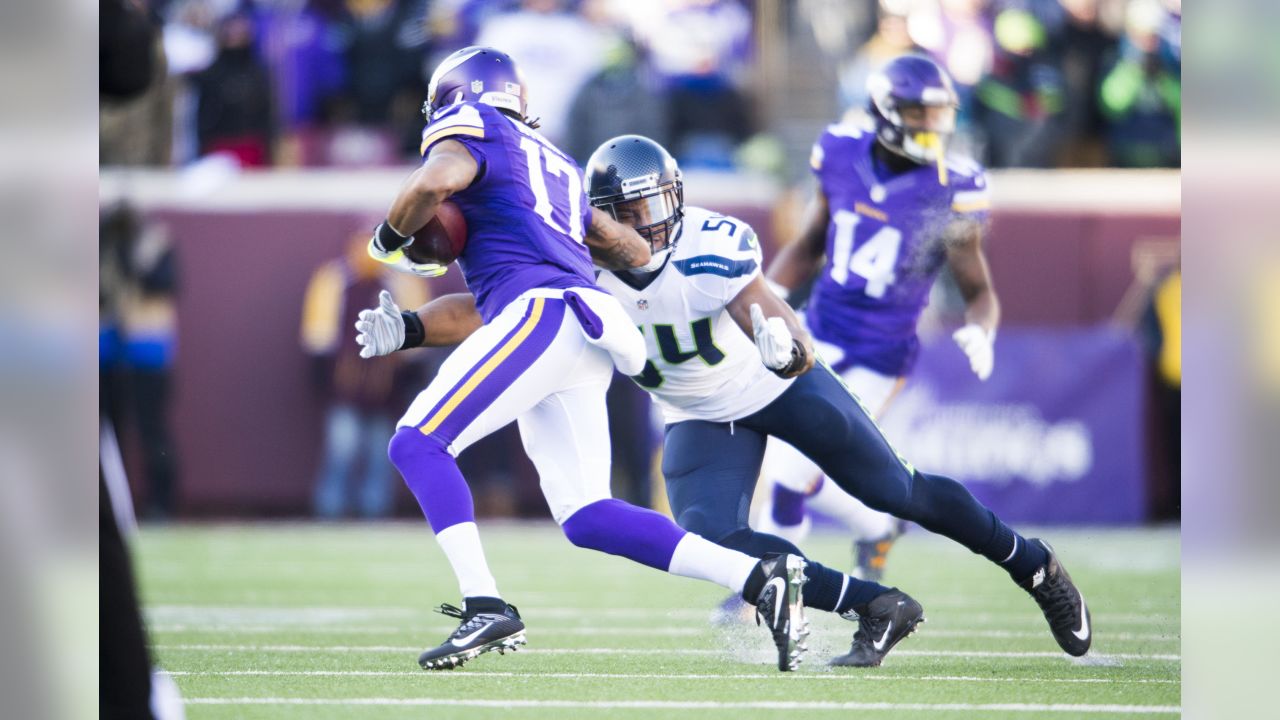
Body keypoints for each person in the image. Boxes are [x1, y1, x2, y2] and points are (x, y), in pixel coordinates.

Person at [352, 47, 808, 672]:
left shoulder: (472, 128)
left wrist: (390, 237)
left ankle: (485, 605)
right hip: (578, 327)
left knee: (416, 443)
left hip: (544, 315)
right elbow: (624, 247)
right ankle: (759, 578)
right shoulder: (556, 163)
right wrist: (409, 327)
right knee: (588, 516)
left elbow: (432, 184)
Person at [579, 134, 1090, 665]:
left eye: (657, 204)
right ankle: (877, 605)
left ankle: (1033, 564)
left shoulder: (707, 246)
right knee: (712, 540)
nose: (649, 223)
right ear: (600, 220)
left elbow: (776, 319)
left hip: (771, 385)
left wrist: (789, 352)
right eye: (630, 213)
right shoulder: (579, 267)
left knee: (896, 490)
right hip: (695, 412)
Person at [757, 54, 1002, 582]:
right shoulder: (841, 152)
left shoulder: (954, 186)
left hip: (880, 351)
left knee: (792, 470)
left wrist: (981, 328)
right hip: (815, 331)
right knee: (801, 469)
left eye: (938, 115)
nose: (930, 127)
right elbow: (810, 241)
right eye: (919, 114)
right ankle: (878, 526)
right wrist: (768, 293)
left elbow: (977, 288)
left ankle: (765, 589)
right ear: (886, 111)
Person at [301, 232, 427, 519]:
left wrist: (407, 374)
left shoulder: (400, 282)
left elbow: (417, 339)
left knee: (380, 454)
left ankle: (374, 512)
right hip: (345, 382)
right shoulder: (336, 279)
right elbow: (319, 335)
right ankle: (330, 510)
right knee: (342, 450)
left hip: (386, 384)